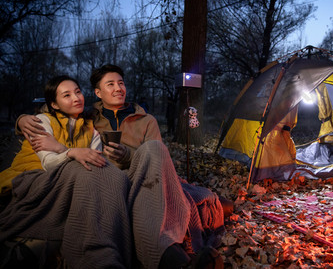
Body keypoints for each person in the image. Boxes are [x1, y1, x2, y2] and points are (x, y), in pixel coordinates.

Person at [16, 65, 228, 268]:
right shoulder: (87, 117)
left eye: (121, 83)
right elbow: (55, 111)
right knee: (118, 184)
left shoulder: (147, 120)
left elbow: (159, 163)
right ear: (98, 92)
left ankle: (171, 254)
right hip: (107, 181)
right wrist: (21, 120)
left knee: (154, 149)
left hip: (144, 178)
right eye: (110, 84)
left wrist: (128, 156)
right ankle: (166, 257)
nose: (118, 88)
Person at [0, 76, 132, 268]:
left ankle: (108, 248)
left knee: (102, 172)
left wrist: (63, 149)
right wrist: (71, 152)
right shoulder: (42, 121)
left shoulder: (90, 130)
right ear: (54, 104)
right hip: (30, 177)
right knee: (82, 168)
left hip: (67, 181)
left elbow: (96, 161)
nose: (76, 98)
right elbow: (49, 163)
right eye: (67, 95)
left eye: (78, 92)